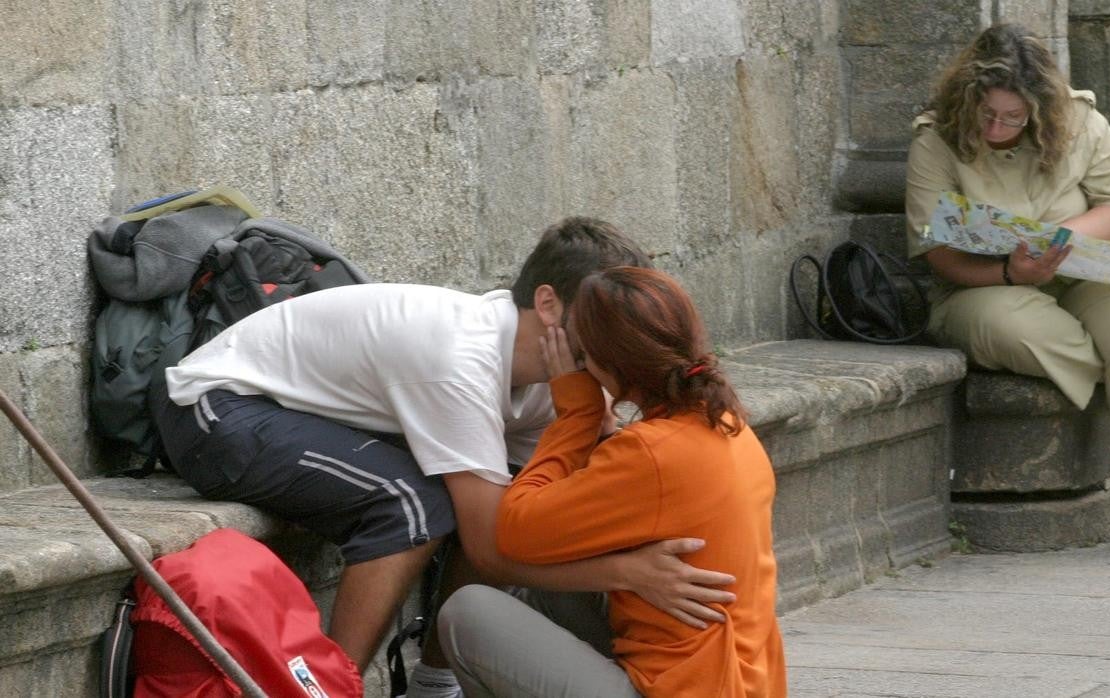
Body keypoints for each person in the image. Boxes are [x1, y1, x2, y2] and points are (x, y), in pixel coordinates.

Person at [153, 218, 738, 694]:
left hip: (311, 419)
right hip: (217, 408)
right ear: (550, 304)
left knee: (508, 496)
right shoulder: (460, 362)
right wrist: (627, 572)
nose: (624, 326)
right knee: (412, 503)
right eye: (608, 312)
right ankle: (334, 689)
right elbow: (493, 545)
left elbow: (535, 510)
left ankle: (435, 686)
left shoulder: (548, 377)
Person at [904, 24, 1110, 555]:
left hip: (1087, 271)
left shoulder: (1081, 122)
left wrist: (1062, 242)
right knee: (1014, 329)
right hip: (987, 285)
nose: (998, 126)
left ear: (1038, 110)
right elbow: (938, 253)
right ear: (967, 100)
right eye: (988, 114)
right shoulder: (936, 139)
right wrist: (1011, 272)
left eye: (1013, 117)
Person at [437, 266, 787, 697]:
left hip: (677, 690)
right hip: (738, 684)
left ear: (606, 363)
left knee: (468, 612)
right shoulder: (728, 424)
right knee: (555, 589)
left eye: (582, 355)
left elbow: (512, 530)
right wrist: (625, 571)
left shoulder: (651, 453)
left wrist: (577, 413)